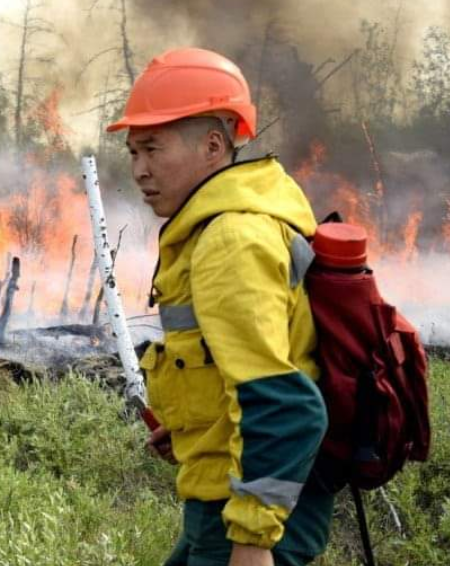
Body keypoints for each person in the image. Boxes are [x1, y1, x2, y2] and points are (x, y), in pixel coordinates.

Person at [106, 48, 333, 566]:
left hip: (248, 514)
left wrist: (251, 545)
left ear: (213, 145)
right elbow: (237, 364)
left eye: (153, 149)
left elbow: (287, 406)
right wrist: (194, 424)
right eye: (133, 153)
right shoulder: (226, 222)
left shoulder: (230, 239)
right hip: (226, 494)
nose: (139, 170)